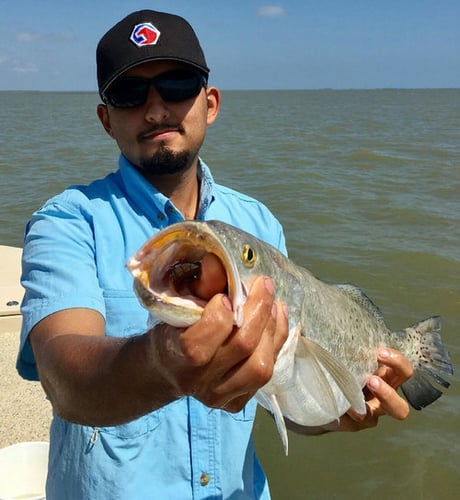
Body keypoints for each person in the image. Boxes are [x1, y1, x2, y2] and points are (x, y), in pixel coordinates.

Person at [17, 9, 413, 500]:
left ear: (211, 103)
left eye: (177, 84)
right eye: (129, 94)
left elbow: (279, 393)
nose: (156, 109)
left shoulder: (261, 225)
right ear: (105, 119)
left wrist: (338, 413)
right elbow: (65, 380)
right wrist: (162, 362)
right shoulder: (67, 222)